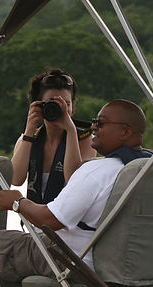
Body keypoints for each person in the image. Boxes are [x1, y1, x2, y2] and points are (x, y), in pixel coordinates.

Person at [0, 100, 149, 287]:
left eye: (100, 123)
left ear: (125, 132)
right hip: (143, 265)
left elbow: (50, 219)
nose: (93, 126)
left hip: (83, 263)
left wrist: (17, 202)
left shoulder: (96, 171)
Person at [11, 68, 96, 204]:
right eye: (52, 103)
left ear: (73, 107)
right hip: (35, 220)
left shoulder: (85, 140)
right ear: (38, 105)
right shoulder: (26, 140)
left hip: (68, 221)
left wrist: (71, 130)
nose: (60, 108)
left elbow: (75, 180)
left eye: (66, 104)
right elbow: (16, 179)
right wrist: (29, 129)